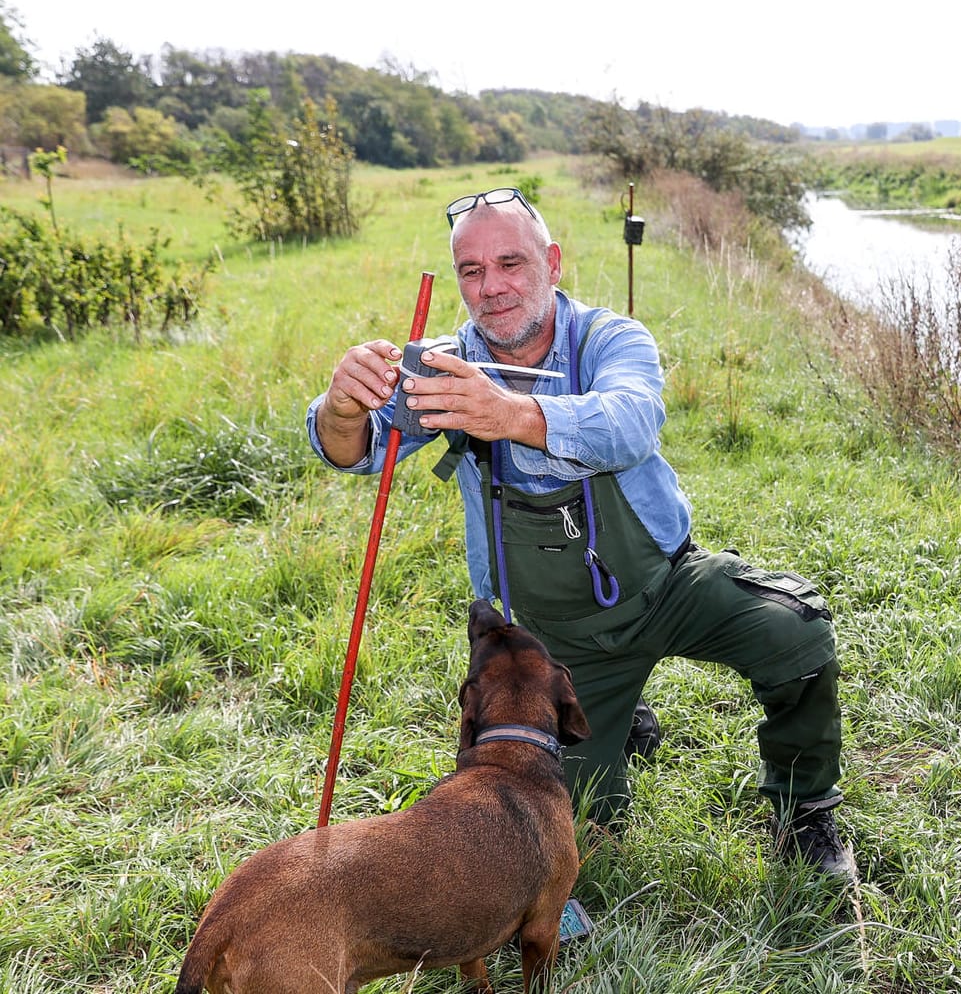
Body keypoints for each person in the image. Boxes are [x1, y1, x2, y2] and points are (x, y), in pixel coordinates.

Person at [306, 187, 852, 878]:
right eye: (472, 271)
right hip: (556, 640)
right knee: (583, 837)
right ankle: (612, 721)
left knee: (795, 629)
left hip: (665, 585)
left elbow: (631, 422)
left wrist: (511, 414)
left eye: (511, 262)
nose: (492, 287)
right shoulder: (442, 368)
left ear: (553, 263)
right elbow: (355, 452)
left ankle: (805, 815)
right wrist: (343, 404)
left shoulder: (609, 339)